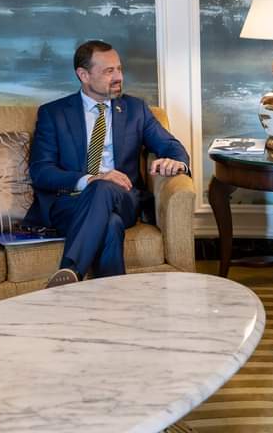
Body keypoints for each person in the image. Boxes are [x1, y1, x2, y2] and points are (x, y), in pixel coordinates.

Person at [25, 40, 190, 288]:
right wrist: (91, 179)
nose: (118, 77)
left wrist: (175, 161)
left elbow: (171, 145)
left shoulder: (136, 109)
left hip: (122, 198)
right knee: (111, 224)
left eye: (119, 69)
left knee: (104, 189)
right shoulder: (54, 113)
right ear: (83, 75)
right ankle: (113, 302)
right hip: (69, 203)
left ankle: (71, 271)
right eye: (108, 71)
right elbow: (41, 171)